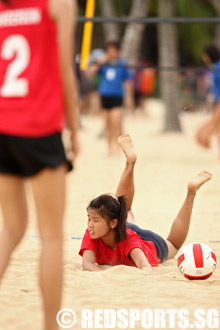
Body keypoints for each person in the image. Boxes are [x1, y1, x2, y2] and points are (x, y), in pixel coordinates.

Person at [0, 0, 79, 329]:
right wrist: (74, 128)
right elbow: (65, 71)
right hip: (39, 127)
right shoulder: (59, 3)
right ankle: (51, 326)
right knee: (51, 237)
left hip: (3, 126)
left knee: (12, 227)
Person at [79, 135, 212, 272]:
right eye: (89, 219)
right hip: (122, 229)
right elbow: (87, 265)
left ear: (113, 223)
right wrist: (107, 274)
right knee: (125, 210)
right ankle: (129, 163)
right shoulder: (93, 232)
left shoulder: (128, 239)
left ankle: (191, 192)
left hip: (149, 242)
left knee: (173, 244)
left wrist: (107, 271)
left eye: (94, 220)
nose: (90, 224)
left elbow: (145, 267)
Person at [87, 41, 134, 154]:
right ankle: (109, 149)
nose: (112, 53)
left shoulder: (122, 64)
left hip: (117, 96)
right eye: (110, 50)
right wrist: (100, 62)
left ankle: (117, 148)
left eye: (114, 50)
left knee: (116, 122)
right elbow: (90, 73)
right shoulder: (103, 64)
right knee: (107, 124)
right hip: (104, 96)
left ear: (117, 51)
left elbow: (128, 82)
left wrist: (130, 98)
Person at [197, 45, 220, 149]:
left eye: (205, 56)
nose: (204, 59)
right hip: (216, 101)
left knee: (211, 128)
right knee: (217, 129)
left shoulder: (217, 66)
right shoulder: (215, 67)